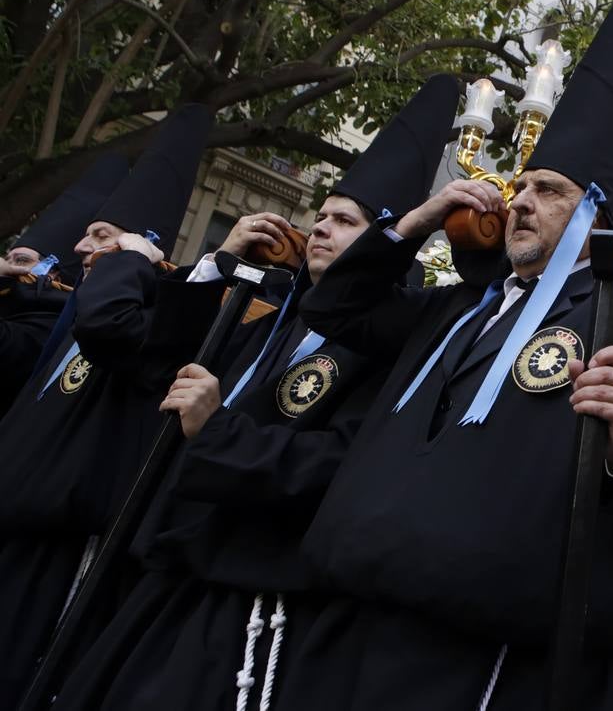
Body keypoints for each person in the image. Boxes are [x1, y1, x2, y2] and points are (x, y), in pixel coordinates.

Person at [290, 0, 613, 711]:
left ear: (593, 212)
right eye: (518, 186)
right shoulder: (457, 306)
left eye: (545, 191)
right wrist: (415, 223)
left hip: (484, 655)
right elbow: (334, 307)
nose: (518, 201)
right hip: (358, 617)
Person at [48, 76, 457, 710]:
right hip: (169, 560)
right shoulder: (268, 312)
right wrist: (217, 263)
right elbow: (157, 360)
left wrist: (221, 433)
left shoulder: (391, 340)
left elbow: (340, 465)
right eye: (318, 215)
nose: (319, 228)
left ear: (384, 240)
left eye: (343, 221)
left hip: (255, 592)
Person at [0, 106, 220, 705]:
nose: (76, 248)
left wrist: (129, 260)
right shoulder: (71, 322)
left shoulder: (152, 325)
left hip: (60, 554)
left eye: (99, 236)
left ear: (141, 251)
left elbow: (113, 327)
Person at [0, 155, 127, 414]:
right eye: (8, 259)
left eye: (21, 261)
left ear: (54, 277)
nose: (8, 268)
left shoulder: (48, 326)